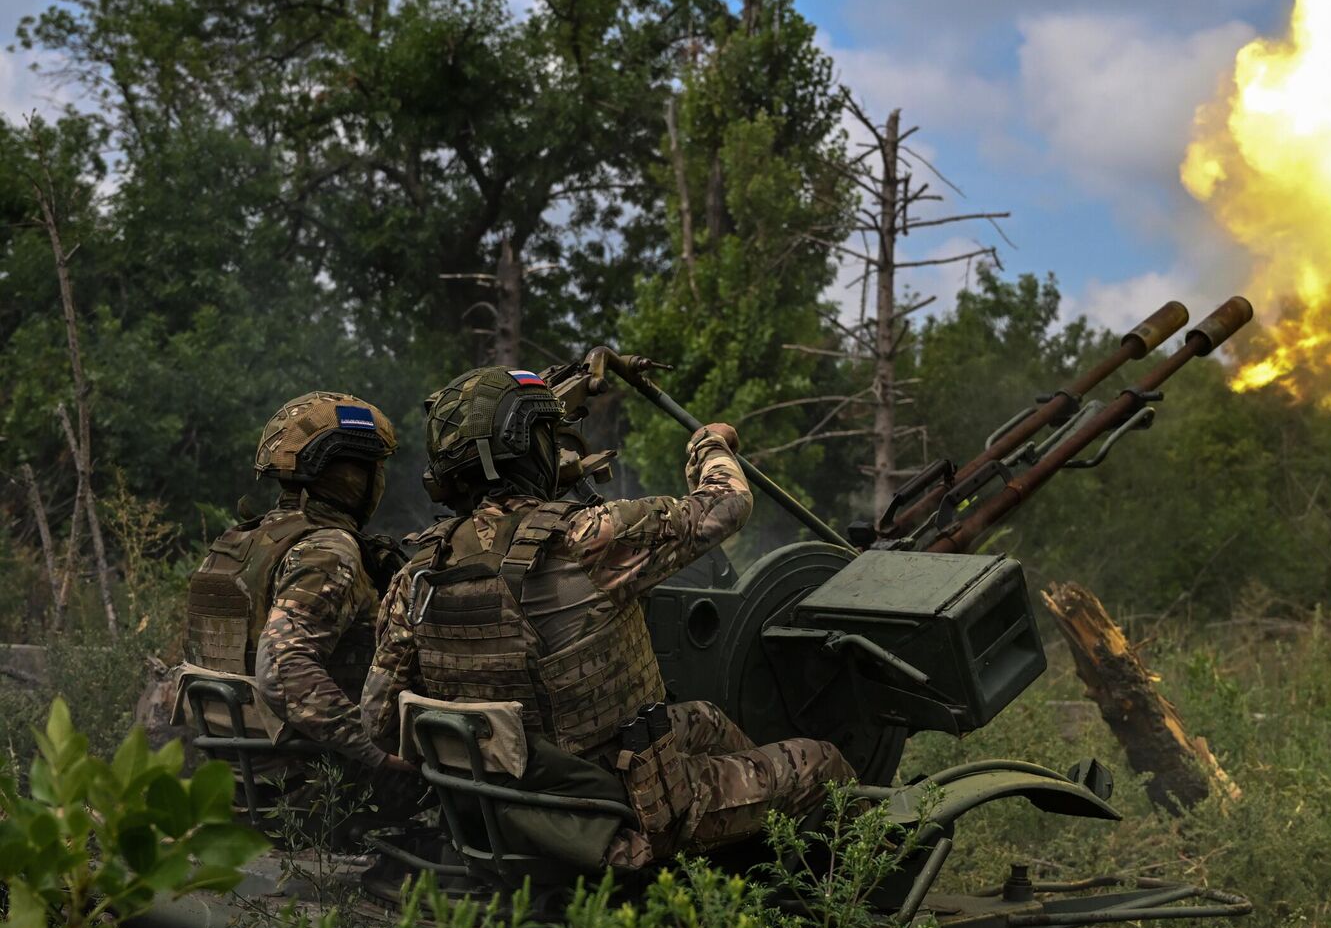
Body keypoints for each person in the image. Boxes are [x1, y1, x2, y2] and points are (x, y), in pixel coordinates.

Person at [360, 365, 854, 870]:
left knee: (704, 720)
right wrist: (709, 444)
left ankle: (741, 848)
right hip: (623, 807)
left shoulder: (417, 574)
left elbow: (377, 720)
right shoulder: (587, 538)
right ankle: (816, 891)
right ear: (530, 447)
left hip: (499, 807)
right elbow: (727, 504)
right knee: (822, 761)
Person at [183, 392, 418, 809]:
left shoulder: (239, 543)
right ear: (351, 476)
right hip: (311, 780)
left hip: (237, 777)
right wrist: (373, 750)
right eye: (375, 468)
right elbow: (282, 669)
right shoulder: (328, 549)